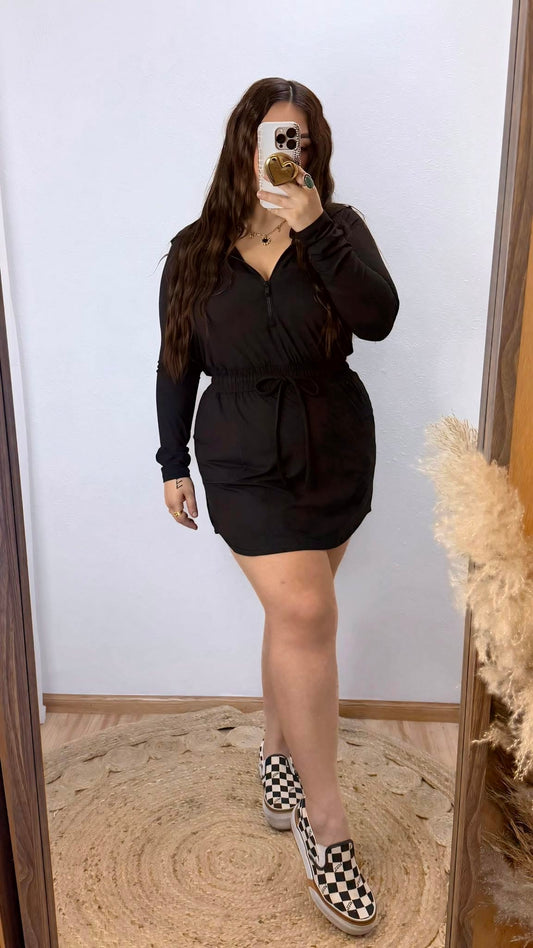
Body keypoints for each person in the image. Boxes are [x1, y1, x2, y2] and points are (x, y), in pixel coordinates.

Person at [155, 77, 399, 936]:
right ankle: (325, 827)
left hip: (333, 447)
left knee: (293, 620)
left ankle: (274, 753)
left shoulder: (339, 229)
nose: (283, 151)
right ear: (244, 144)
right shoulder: (194, 249)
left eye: (298, 138)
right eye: (271, 136)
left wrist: (314, 226)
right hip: (239, 454)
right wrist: (171, 461)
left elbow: (378, 320)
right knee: (304, 611)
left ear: (312, 150)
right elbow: (175, 362)